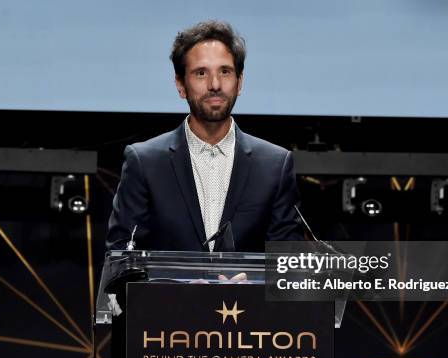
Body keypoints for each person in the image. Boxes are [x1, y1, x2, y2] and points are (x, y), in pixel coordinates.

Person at [106, 20, 303, 252]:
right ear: (180, 85)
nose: (215, 84)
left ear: (239, 82)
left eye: (225, 71)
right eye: (201, 73)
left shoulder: (275, 165)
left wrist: (248, 284)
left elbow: (288, 262)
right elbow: (121, 256)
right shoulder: (145, 162)